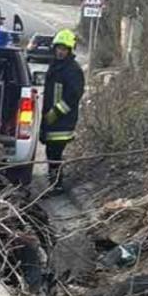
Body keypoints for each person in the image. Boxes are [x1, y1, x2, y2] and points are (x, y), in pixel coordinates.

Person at [40, 27, 84, 191]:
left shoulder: (73, 70)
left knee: (54, 153)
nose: (60, 52)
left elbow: (73, 96)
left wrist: (55, 113)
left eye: (64, 49)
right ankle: (54, 182)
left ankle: (56, 185)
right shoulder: (56, 66)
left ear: (69, 50)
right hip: (52, 120)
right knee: (51, 153)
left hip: (62, 122)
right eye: (59, 48)